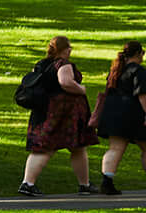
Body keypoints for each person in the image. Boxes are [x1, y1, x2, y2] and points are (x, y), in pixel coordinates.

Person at [18, 35, 98, 197]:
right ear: (63, 49)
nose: (70, 50)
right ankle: (28, 183)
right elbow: (65, 82)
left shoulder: (41, 64)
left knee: (71, 148)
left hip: (44, 110)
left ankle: (84, 184)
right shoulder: (63, 64)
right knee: (50, 148)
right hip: (63, 113)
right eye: (69, 47)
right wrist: (81, 89)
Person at [94, 41, 146, 196]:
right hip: (133, 113)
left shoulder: (116, 70)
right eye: (142, 53)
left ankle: (107, 182)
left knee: (115, 148)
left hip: (113, 113)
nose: (143, 56)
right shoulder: (138, 70)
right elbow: (142, 93)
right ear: (138, 54)